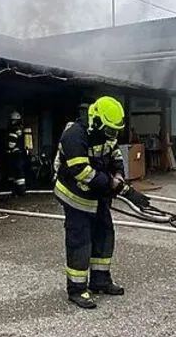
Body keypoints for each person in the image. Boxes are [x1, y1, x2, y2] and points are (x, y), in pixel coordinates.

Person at [53, 96, 129, 309]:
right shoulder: (74, 135)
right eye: (110, 130)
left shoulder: (106, 133)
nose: (113, 135)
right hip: (75, 196)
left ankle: (100, 281)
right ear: (96, 121)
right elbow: (81, 171)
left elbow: (116, 156)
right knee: (80, 241)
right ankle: (77, 289)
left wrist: (119, 175)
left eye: (115, 131)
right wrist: (109, 183)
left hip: (98, 195)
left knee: (104, 235)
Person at [4, 111, 29, 196]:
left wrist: (8, 150)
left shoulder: (13, 129)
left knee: (16, 173)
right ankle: (20, 191)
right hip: (21, 153)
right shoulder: (20, 129)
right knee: (19, 173)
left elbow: (11, 144)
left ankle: (18, 191)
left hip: (15, 154)